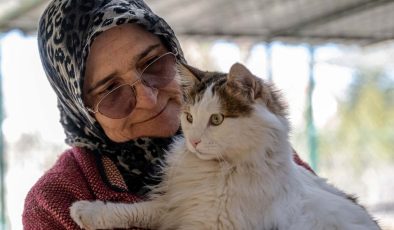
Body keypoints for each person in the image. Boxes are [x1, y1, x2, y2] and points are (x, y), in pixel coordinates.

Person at [22, 0, 314, 229]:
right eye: (112, 91)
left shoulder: (258, 150)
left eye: (153, 64)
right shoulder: (55, 202)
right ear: (82, 111)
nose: (148, 100)